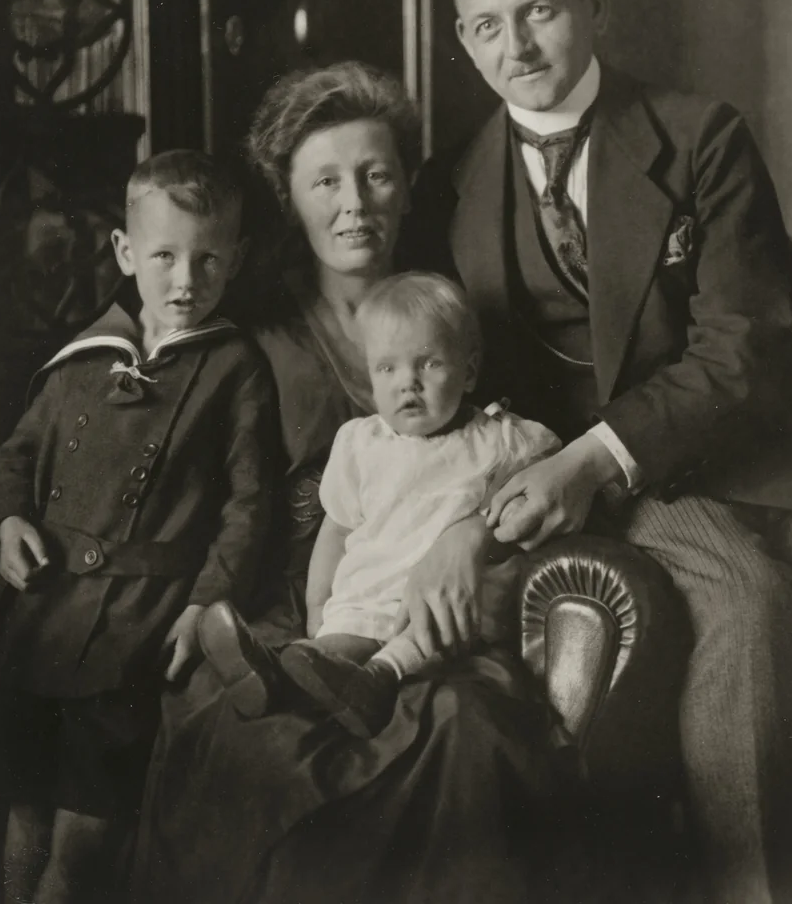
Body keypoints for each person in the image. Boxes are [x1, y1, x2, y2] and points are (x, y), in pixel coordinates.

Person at [404, 0, 792, 904]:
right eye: (486, 27)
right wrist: (558, 475)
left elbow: (745, 337)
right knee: (749, 608)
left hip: (769, 445)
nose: (517, 47)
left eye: (539, 11)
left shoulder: (701, 135)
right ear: (461, 37)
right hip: (627, 475)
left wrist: (601, 454)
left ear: (593, 7)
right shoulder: (452, 186)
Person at [133, 63, 574, 904]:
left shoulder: (460, 310)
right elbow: (140, 319)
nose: (354, 203)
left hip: (437, 600)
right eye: (324, 181)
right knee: (237, 729)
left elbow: (526, 457)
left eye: (376, 175)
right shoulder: (246, 313)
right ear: (288, 197)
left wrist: (472, 533)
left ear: (407, 187)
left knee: (466, 731)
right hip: (292, 597)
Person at [0, 150, 278, 904]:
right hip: (40, 613)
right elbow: (19, 451)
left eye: (210, 259)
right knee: (24, 817)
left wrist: (201, 605)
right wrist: (10, 518)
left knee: (85, 843)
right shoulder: (86, 351)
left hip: (135, 625)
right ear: (125, 252)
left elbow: (250, 506)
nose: (187, 281)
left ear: (236, 258)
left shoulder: (234, 366)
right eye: (165, 256)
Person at [197, 271, 560, 737]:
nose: (407, 383)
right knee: (334, 645)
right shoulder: (361, 442)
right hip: (365, 595)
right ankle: (276, 674)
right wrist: (318, 607)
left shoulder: (498, 438)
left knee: (439, 623)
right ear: (370, 378)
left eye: (427, 364)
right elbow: (337, 529)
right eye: (387, 369)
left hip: (447, 602)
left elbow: (550, 465)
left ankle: (375, 678)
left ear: (468, 372)